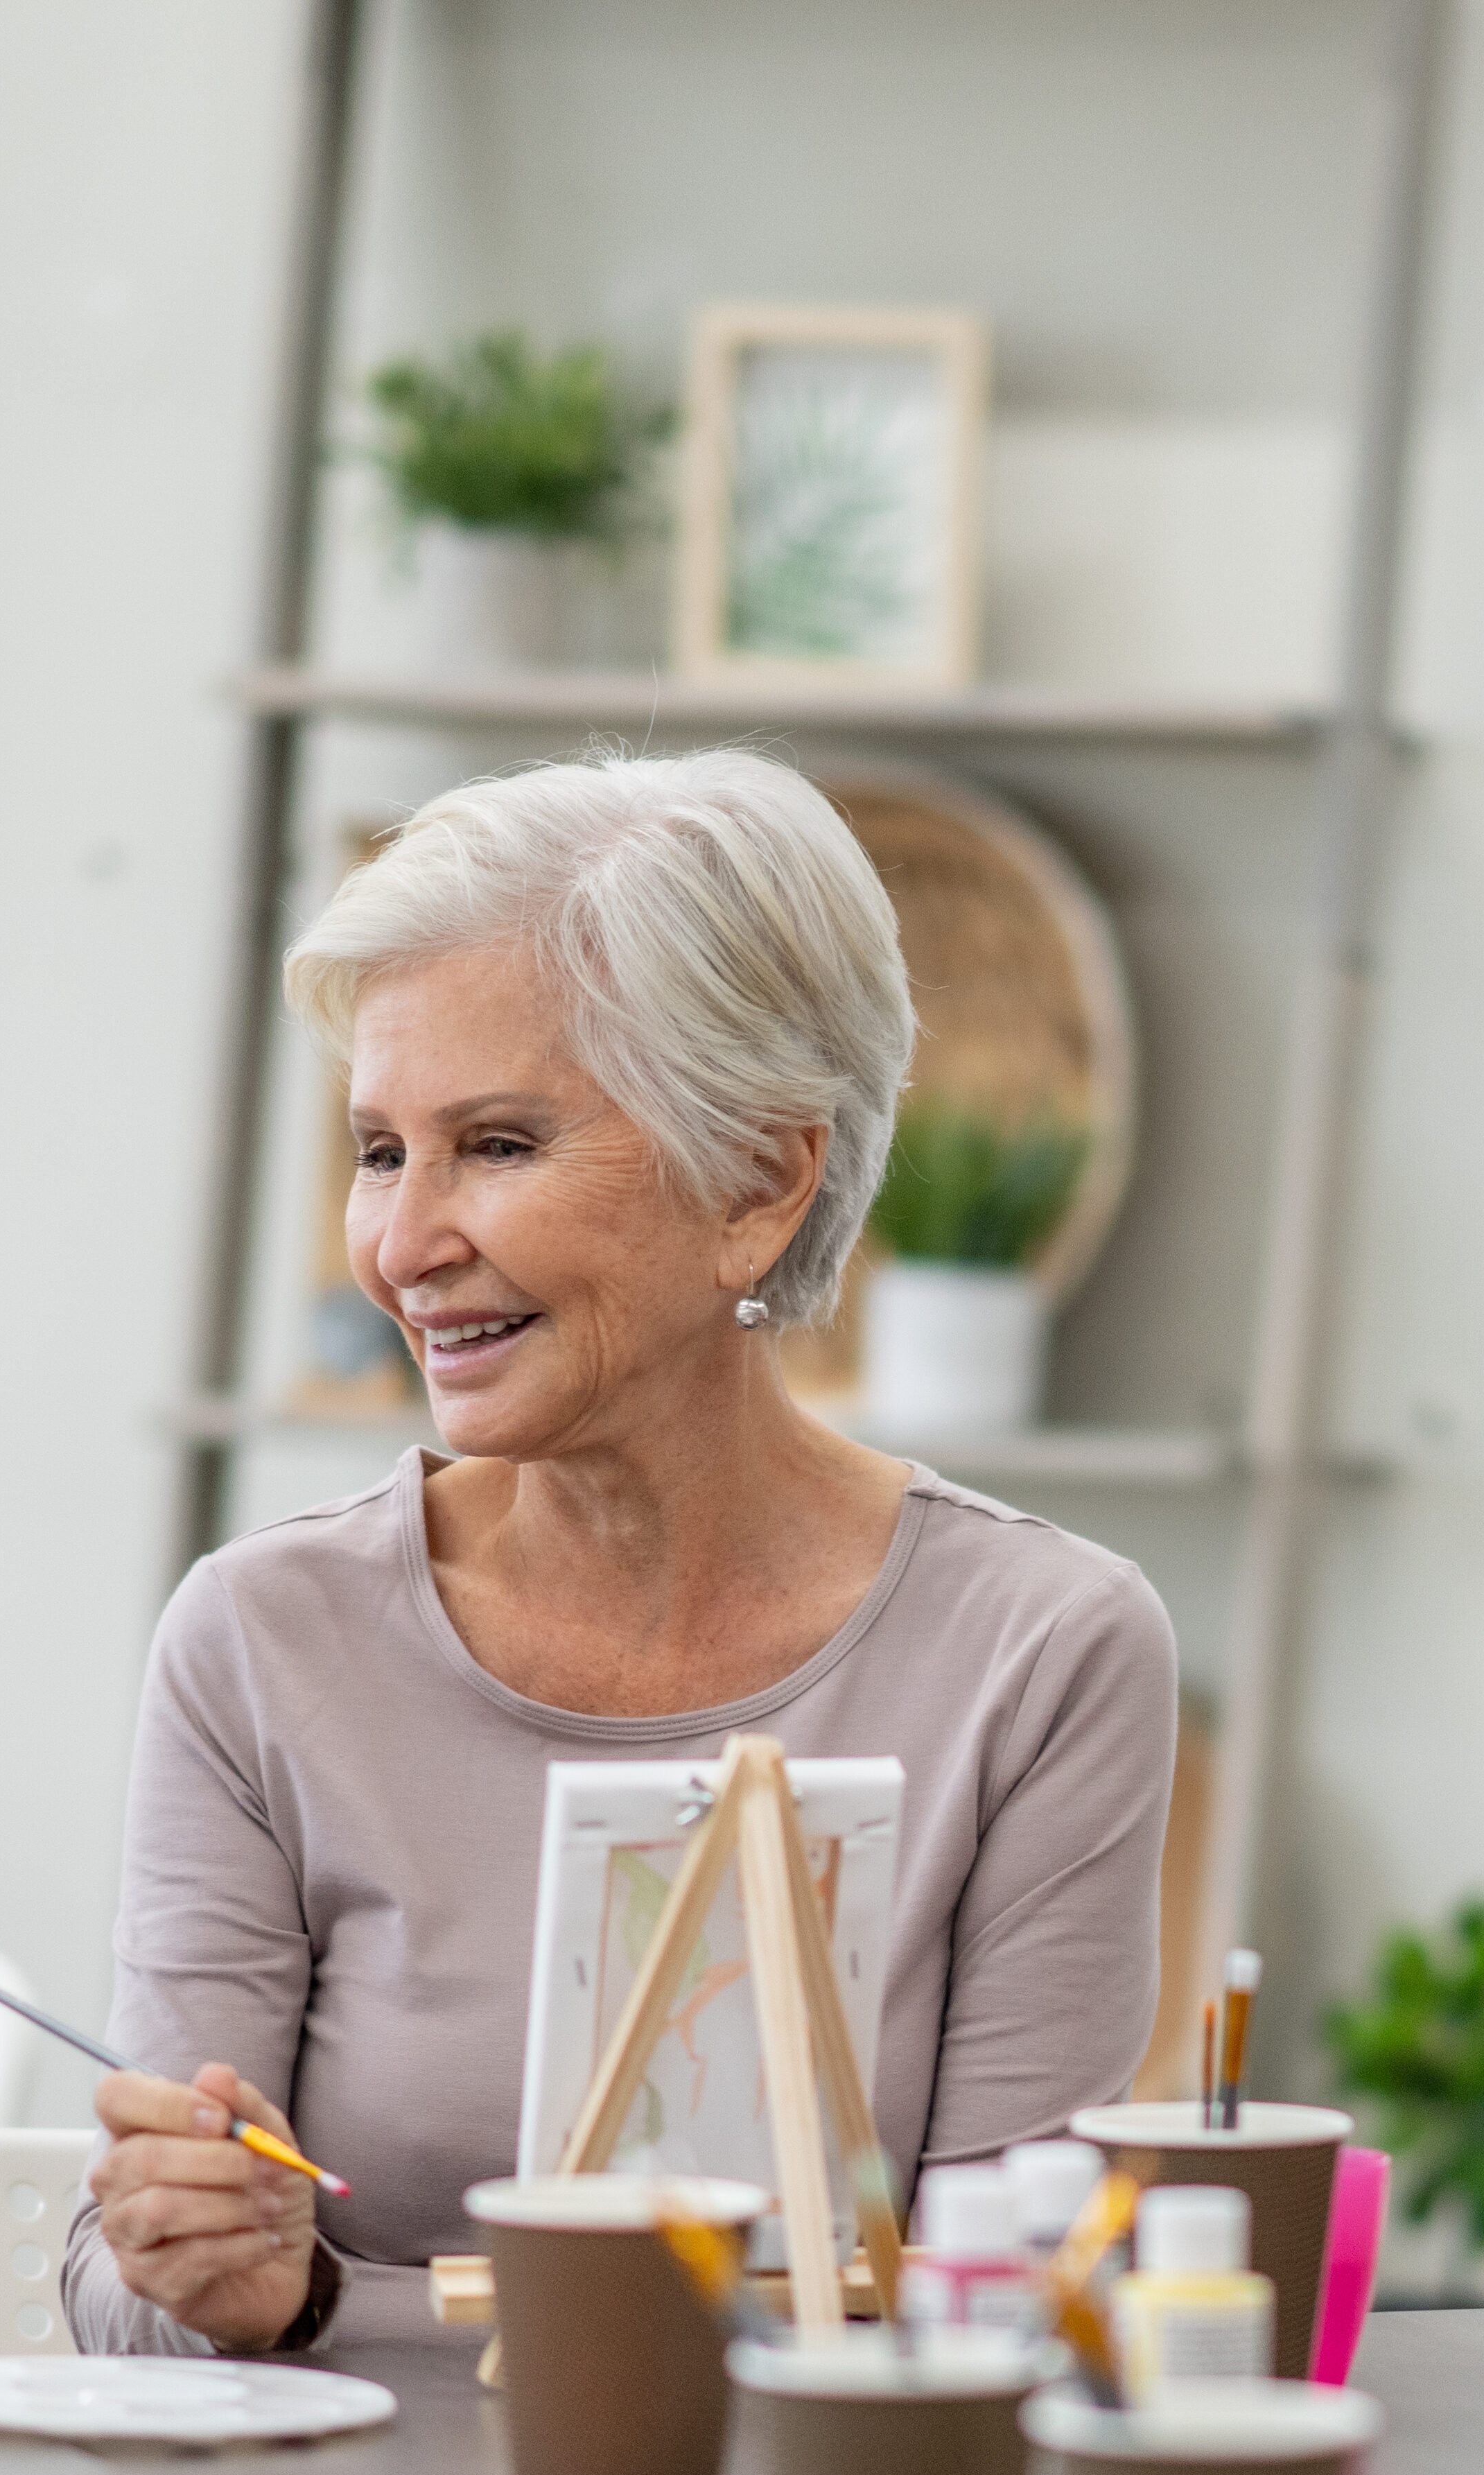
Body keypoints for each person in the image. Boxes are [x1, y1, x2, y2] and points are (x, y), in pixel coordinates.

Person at [70, 749, 1176, 2355]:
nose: (398, 1243)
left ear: (756, 1181)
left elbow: (1011, 2321)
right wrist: (236, 2279)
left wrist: (371, 2309)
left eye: (500, 1145)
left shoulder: (1043, 1652)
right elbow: (125, 2291)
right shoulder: (263, 1636)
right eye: (383, 1150)